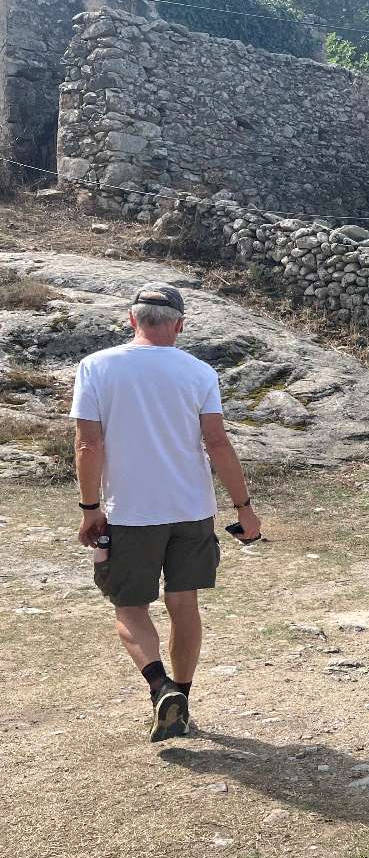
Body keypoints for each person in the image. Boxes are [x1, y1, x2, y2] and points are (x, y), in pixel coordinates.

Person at [71, 281, 261, 742]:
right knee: (184, 604)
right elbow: (217, 443)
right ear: (179, 325)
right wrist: (244, 508)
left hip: (131, 512)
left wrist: (90, 508)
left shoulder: (97, 366)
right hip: (192, 509)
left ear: (131, 319)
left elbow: (88, 444)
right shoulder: (199, 372)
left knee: (129, 607)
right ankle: (183, 701)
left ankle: (161, 688)